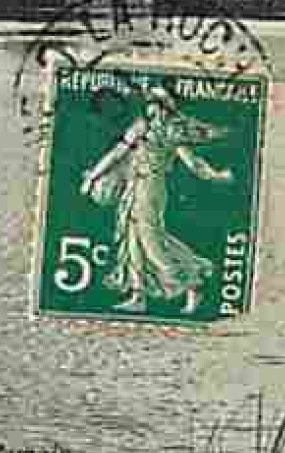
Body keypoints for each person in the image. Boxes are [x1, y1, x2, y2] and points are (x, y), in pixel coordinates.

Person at [78, 85, 233, 314]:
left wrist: (216, 176)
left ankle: (192, 284)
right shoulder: (140, 128)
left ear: (166, 108)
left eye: (157, 105)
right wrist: (93, 176)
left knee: (151, 241)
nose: (152, 110)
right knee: (132, 241)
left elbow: (193, 162)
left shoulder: (173, 131)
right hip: (133, 187)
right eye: (150, 104)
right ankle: (138, 295)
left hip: (151, 188)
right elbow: (116, 154)